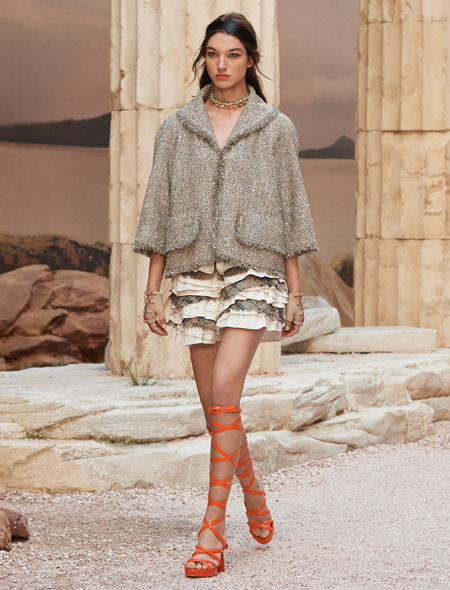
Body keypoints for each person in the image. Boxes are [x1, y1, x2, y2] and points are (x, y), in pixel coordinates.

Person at [133, 12, 318, 578]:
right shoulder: (176, 128)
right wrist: (153, 289)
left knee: (222, 392)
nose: (222, 64)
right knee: (217, 410)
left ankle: (211, 533)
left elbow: (292, 209)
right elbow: (158, 206)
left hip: (255, 269)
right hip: (192, 270)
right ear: (204, 59)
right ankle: (253, 494)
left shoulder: (275, 128)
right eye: (213, 53)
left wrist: (295, 292)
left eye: (233, 54)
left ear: (251, 60)